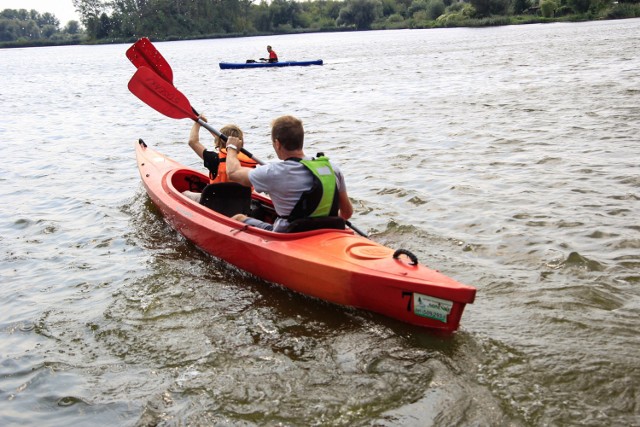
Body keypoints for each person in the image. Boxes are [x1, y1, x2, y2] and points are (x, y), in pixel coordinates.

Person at [225, 115, 353, 232]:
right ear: (301, 140)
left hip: (288, 237)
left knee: (238, 218)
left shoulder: (272, 172)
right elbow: (347, 213)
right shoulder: (332, 169)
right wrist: (328, 225)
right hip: (327, 234)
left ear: (277, 143)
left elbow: (233, 172)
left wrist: (232, 148)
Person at [183, 115, 257, 202]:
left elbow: (192, 142)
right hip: (240, 206)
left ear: (218, 141)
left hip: (215, 205)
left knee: (184, 194)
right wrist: (204, 124)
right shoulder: (249, 161)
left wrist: (197, 123)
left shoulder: (213, 159)